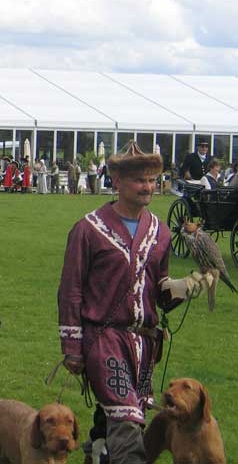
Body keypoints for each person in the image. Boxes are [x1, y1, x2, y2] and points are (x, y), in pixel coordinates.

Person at [58, 140, 206, 463]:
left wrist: (186, 287)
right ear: (118, 181)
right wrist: (72, 346)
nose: (148, 186)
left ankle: (96, 452)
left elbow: (159, 292)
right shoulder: (88, 230)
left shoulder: (161, 233)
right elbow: (71, 290)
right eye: (140, 180)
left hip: (144, 345)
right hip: (104, 340)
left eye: (152, 180)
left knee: (129, 415)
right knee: (126, 419)